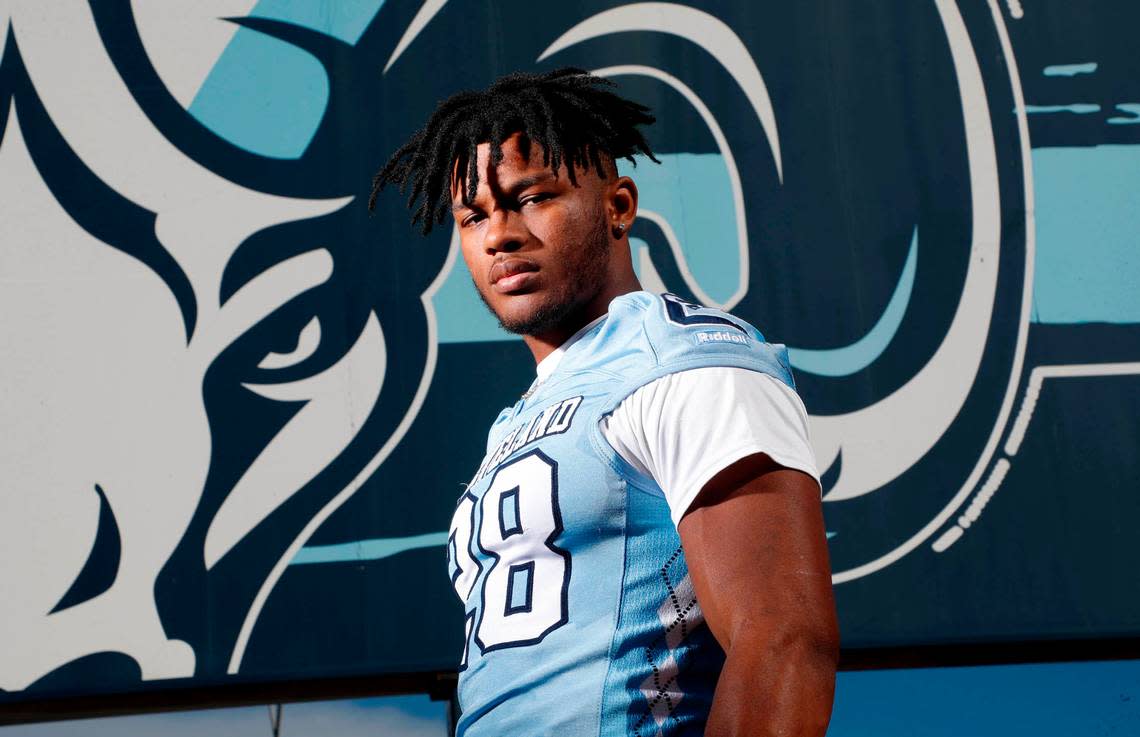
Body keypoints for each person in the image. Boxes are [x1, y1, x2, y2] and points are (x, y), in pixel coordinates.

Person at [372, 68, 838, 737]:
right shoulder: (516, 422)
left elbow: (785, 638)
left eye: (531, 197)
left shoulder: (684, 358)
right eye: (474, 216)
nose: (499, 234)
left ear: (619, 206)